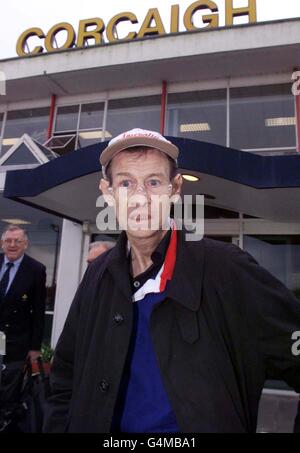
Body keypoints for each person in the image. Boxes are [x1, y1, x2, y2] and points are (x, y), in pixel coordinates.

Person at [44, 128, 300, 433]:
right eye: (126, 183)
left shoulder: (227, 269)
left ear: (175, 188)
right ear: (108, 193)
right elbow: (64, 378)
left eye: (153, 182)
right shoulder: (97, 276)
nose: (141, 197)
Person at [0, 225, 46, 365]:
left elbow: (39, 311)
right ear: (2, 244)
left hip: (15, 342)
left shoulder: (36, 270)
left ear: (25, 245)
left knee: (8, 384)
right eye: (8, 240)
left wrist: (35, 347)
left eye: (17, 241)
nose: (12, 245)